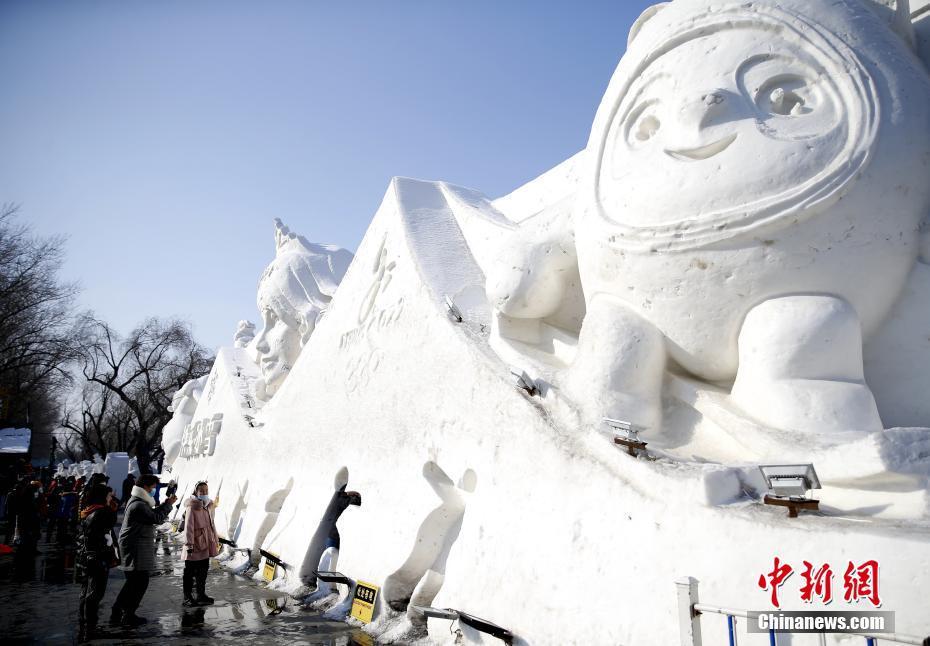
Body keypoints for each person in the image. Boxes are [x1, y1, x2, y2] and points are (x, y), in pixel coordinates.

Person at [111, 474, 176, 627]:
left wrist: (166, 503)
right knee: (139, 582)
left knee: (134, 582)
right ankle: (128, 614)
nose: (154, 490)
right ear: (145, 487)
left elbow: (152, 514)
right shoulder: (138, 505)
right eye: (153, 487)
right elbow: (156, 518)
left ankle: (119, 610)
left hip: (135, 545)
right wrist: (168, 505)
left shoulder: (139, 501)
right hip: (135, 547)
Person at [77, 484, 118, 641]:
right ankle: (91, 628)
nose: (111, 499)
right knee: (95, 593)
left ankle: (85, 622)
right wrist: (111, 509)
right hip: (97, 558)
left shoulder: (90, 510)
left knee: (86, 590)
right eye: (109, 496)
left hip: (88, 557)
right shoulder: (101, 513)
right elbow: (107, 526)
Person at [181, 481, 219, 606]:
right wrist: (189, 544)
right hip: (194, 545)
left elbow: (211, 525)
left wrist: (214, 539)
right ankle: (187, 597)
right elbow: (189, 527)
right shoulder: (193, 506)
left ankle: (200, 595)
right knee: (190, 572)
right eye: (201, 490)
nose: (204, 493)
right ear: (196, 492)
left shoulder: (207, 505)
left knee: (203, 571)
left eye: (206, 490)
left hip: (205, 544)